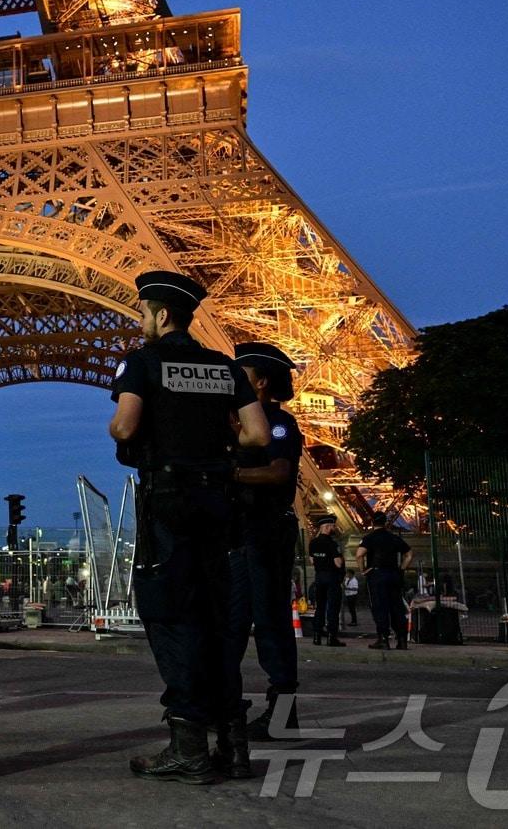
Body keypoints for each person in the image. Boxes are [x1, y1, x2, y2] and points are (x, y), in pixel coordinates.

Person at [108, 271, 268, 785]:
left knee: (173, 619)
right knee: (221, 621)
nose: (140, 322)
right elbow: (258, 435)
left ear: (159, 315)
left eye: (142, 314)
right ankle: (235, 745)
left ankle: (188, 745)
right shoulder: (224, 367)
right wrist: (216, 449)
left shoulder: (142, 362)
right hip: (218, 502)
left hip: (170, 505)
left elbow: (126, 427)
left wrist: (124, 430)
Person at [223, 341, 304, 746]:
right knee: (231, 624)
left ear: (262, 382)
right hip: (240, 532)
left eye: (243, 374)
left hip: (266, 530)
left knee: (270, 621)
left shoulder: (277, 423)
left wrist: (231, 478)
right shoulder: (234, 423)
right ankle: (227, 705)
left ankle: (283, 712)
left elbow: (278, 472)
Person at [356, 512, 412, 650]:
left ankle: (383, 639)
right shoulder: (394, 538)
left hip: (377, 574)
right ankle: (402, 639)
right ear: (386, 523)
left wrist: (363, 570)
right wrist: (401, 569)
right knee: (396, 606)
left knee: (379, 606)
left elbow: (359, 554)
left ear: (372, 523)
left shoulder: (369, 538)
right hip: (393, 574)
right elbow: (409, 554)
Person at [307, 516, 345, 647]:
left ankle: (317, 636)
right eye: (333, 526)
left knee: (320, 607)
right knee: (333, 608)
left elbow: (311, 560)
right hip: (332, 577)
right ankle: (331, 637)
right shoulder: (332, 543)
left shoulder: (313, 543)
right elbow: (338, 563)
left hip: (319, 577)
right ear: (328, 527)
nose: (334, 528)